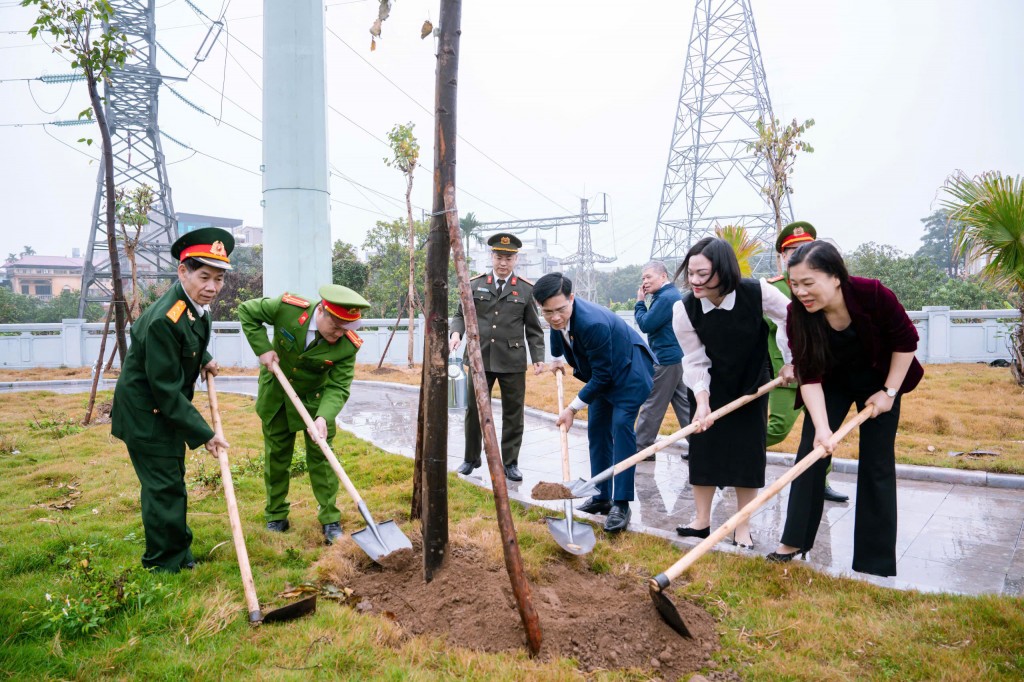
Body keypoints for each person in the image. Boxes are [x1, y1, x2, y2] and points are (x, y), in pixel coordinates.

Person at [767, 241, 923, 576]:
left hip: (881, 379)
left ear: (836, 277)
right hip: (831, 381)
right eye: (795, 284)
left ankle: (874, 560)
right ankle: (793, 541)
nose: (801, 292)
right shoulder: (798, 314)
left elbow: (906, 342)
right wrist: (822, 429)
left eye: (808, 283)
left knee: (877, 461)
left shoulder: (873, 294)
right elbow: (809, 375)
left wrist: (889, 392)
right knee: (811, 453)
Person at [111, 227, 233, 573]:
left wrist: (203, 357)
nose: (212, 287)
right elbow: (165, 389)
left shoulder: (192, 307)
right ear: (183, 272)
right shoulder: (166, 318)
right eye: (204, 277)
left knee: (171, 481)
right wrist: (206, 434)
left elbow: (186, 341)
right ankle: (164, 563)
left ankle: (178, 551)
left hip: (162, 410)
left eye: (219, 279)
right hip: (147, 414)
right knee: (164, 487)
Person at [671, 237, 794, 549]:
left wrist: (791, 360)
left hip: (752, 384)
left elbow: (790, 316)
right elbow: (694, 358)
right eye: (691, 273)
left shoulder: (757, 292)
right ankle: (701, 522)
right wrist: (702, 402)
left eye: (703, 274)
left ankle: (742, 526)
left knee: (747, 454)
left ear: (724, 271)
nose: (694, 281)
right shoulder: (684, 309)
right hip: (709, 383)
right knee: (703, 450)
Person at [238, 284, 370, 545]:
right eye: (336, 327)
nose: (340, 334)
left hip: (315, 401)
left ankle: (330, 519)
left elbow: (338, 386)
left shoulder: (348, 345)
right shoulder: (287, 308)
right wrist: (263, 348)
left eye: (346, 329)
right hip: (277, 394)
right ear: (321, 311)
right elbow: (247, 311)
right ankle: (276, 515)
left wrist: (323, 417)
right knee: (277, 457)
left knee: (323, 459)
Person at [534, 273, 655, 534]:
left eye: (560, 309)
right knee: (597, 430)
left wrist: (571, 408)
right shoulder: (557, 316)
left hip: (630, 372)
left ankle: (621, 504)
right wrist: (556, 358)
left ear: (572, 298)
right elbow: (557, 330)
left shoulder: (592, 323)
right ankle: (601, 496)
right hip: (604, 375)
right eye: (547, 312)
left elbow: (603, 376)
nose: (555, 317)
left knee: (621, 426)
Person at [450, 233, 545, 482]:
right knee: (474, 410)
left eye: (508, 258)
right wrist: (456, 333)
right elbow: (460, 314)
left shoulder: (525, 289)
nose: (503, 263)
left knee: (513, 412)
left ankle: (510, 463)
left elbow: (533, 328)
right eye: (499, 257)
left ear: (516, 260)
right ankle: (471, 458)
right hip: (479, 357)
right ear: (491, 256)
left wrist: (537, 356)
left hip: (512, 360)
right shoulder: (475, 285)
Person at [766, 222, 849, 503]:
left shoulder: (828, 284)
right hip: (789, 374)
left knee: (822, 429)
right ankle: (734, 458)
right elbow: (769, 328)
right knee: (777, 430)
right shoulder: (774, 289)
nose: (799, 253)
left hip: (822, 372)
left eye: (805, 247)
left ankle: (820, 481)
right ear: (782, 256)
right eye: (792, 250)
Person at [633, 260, 690, 461]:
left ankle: (642, 448)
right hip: (676, 358)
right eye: (643, 278)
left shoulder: (666, 298)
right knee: (685, 405)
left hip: (666, 360)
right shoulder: (667, 295)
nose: (645, 282)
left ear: (663, 276)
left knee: (652, 404)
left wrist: (640, 302)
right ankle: (701, 446)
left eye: (649, 277)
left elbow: (646, 324)